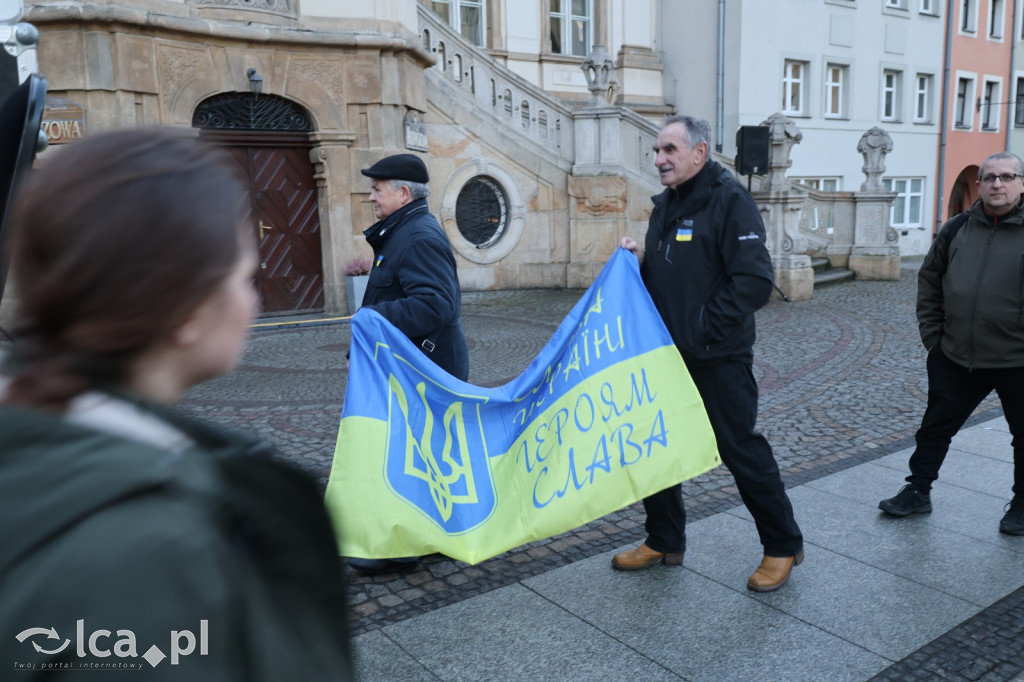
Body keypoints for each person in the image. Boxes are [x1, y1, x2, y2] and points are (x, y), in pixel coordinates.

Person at [0, 128, 354, 680]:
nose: (252, 299)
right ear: (188, 309)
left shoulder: (39, 434)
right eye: (243, 278)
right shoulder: (152, 551)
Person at [616, 115, 804, 592]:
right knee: (657, 450)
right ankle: (664, 538)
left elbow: (755, 282)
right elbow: (670, 274)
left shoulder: (730, 200)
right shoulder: (667, 205)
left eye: (669, 150)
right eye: (656, 151)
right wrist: (640, 262)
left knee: (740, 449)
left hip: (718, 358)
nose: (659, 159)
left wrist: (701, 331)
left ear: (699, 153)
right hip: (667, 357)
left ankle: (782, 545)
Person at [879, 151, 1024, 536]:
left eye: (1006, 176)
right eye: (989, 178)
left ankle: (1022, 505)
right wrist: (933, 338)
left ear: (1021, 183)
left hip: (1017, 360)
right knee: (934, 429)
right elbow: (929, 279)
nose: (997, 184)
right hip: (957, 355)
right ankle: (917, 491)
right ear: (979, 185)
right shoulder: (958, 227)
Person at [346, 152, 469, 575]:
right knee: (414, 456)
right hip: (412, 368)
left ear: (402, 193)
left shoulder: (415, 236)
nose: (371, 197)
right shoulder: (402, 231)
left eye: (378, 190)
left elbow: (437, 303)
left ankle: (401, 549)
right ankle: (418, 539)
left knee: (414, 458)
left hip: (425, 371)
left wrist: (372, 317)